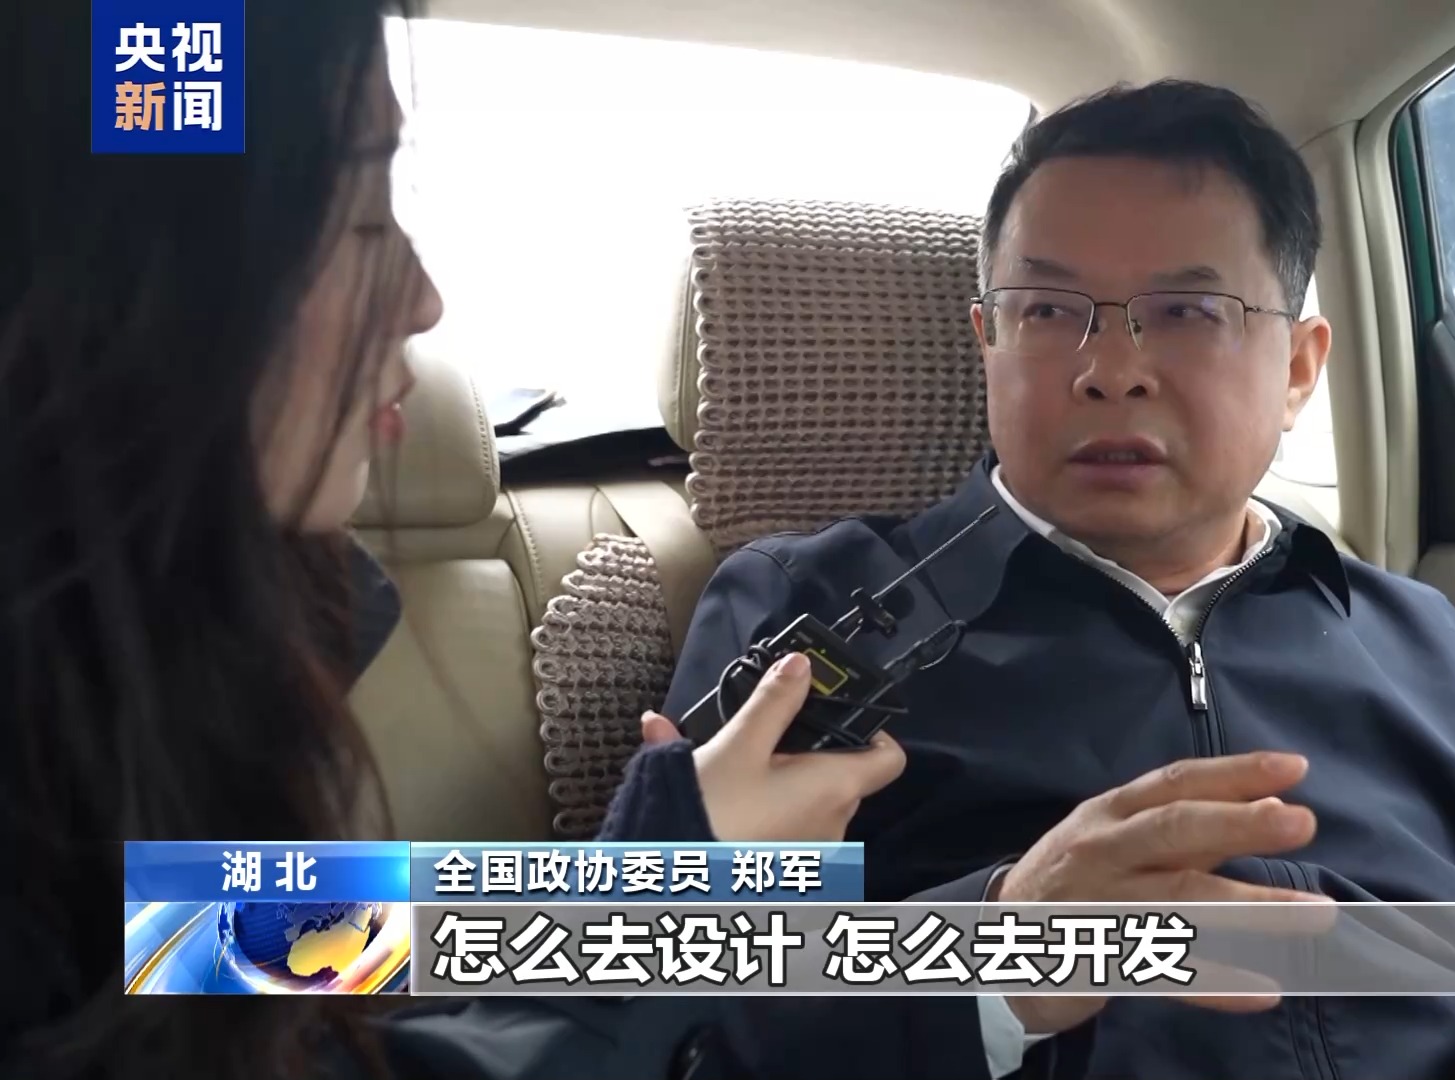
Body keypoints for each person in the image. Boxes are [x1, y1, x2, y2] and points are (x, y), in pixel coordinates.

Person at [656, 80, 1455, 1079]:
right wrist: (995, 956)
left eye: (1187, 313)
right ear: (987, 343)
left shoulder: (1409, 633)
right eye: (1047, 311)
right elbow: (679, 1024)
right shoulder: (811, 617)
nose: (1110, 370)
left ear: (1298, 368)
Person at [0, 5, 1013, 1079]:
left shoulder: (120, 663)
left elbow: (206, 929)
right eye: (357, 217)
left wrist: (687, 884)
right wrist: (679, 903)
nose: (422, 300)